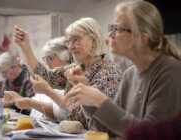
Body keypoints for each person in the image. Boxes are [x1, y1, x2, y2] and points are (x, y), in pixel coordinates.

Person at [64, 0, 181, 136]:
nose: (109, 37)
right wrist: (86, 96)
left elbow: (150, 135)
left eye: (117, 29)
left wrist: (101, 101)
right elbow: (107, 131)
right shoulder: (129, 74)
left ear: (142, 38)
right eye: (111, 28)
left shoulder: (171, 72)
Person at [12, 17, 123, 129]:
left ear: (94, 40)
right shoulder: (77, 67)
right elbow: (45, 76)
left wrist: (47, 91)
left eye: (75, 40)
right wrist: (26, 47)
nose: (70, 47)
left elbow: (80, 116)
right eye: (68, 41)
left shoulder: (109, 73)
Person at [13, 36, 73, 120]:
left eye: (49, 58)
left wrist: (30, 103)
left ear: (65, 56)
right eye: (45, 59)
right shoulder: (52, 78)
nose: (47, 63)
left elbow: (61, 112)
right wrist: (19, 100)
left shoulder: (71, 76)